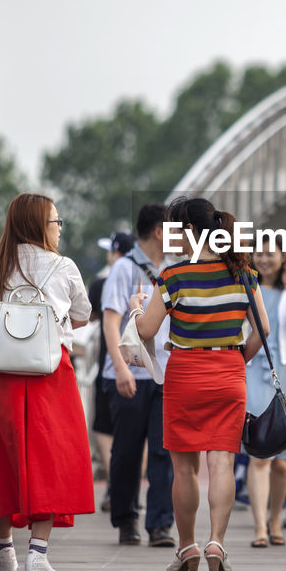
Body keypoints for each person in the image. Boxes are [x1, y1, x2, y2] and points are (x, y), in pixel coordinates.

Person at [129, 197, 270, 571]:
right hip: (228, 371)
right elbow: (264, 330)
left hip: (185, 374)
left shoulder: (174, 276)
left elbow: (145, 331)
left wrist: (136, 307)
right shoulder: (244, 273)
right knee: (222, 461)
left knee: (184, 469)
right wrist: (238, 360)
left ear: (189, 230)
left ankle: (186, 547)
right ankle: (216, 543)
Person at [0, 193, 94, 571]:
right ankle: (38, 555)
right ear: (38, 226)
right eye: (55, 222)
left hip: (1, 374)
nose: (60, 230)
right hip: (49, 371)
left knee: (3, 455)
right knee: (52, 455)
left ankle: (4, 549)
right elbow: (82, 313)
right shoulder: (63, 268)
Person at [102, 206, 174, 548]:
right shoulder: (123, 269)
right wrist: (119, 369)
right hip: (129, 374)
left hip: (164, 374)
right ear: (160, 231)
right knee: (127, 452)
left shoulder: (175, 268)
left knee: (163, 451)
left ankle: (160, 524)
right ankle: (126, 519)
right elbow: (111, 321)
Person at [244, 246, 286, 548]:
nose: (263, 259)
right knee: (260, 455)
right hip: (254, 370)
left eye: (270, 254)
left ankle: (275, 520)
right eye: (258, 253)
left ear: (284, 257)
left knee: (283, 462)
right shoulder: (245, 284)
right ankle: (259, 526)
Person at [87, 231, 134, 512]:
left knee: (104, 425)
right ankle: (128, 486)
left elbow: (90, 316)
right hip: (142, 364)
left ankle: (115, 480)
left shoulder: (101, 284)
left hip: (109, 363)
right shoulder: (146, 279)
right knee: (134, 430)